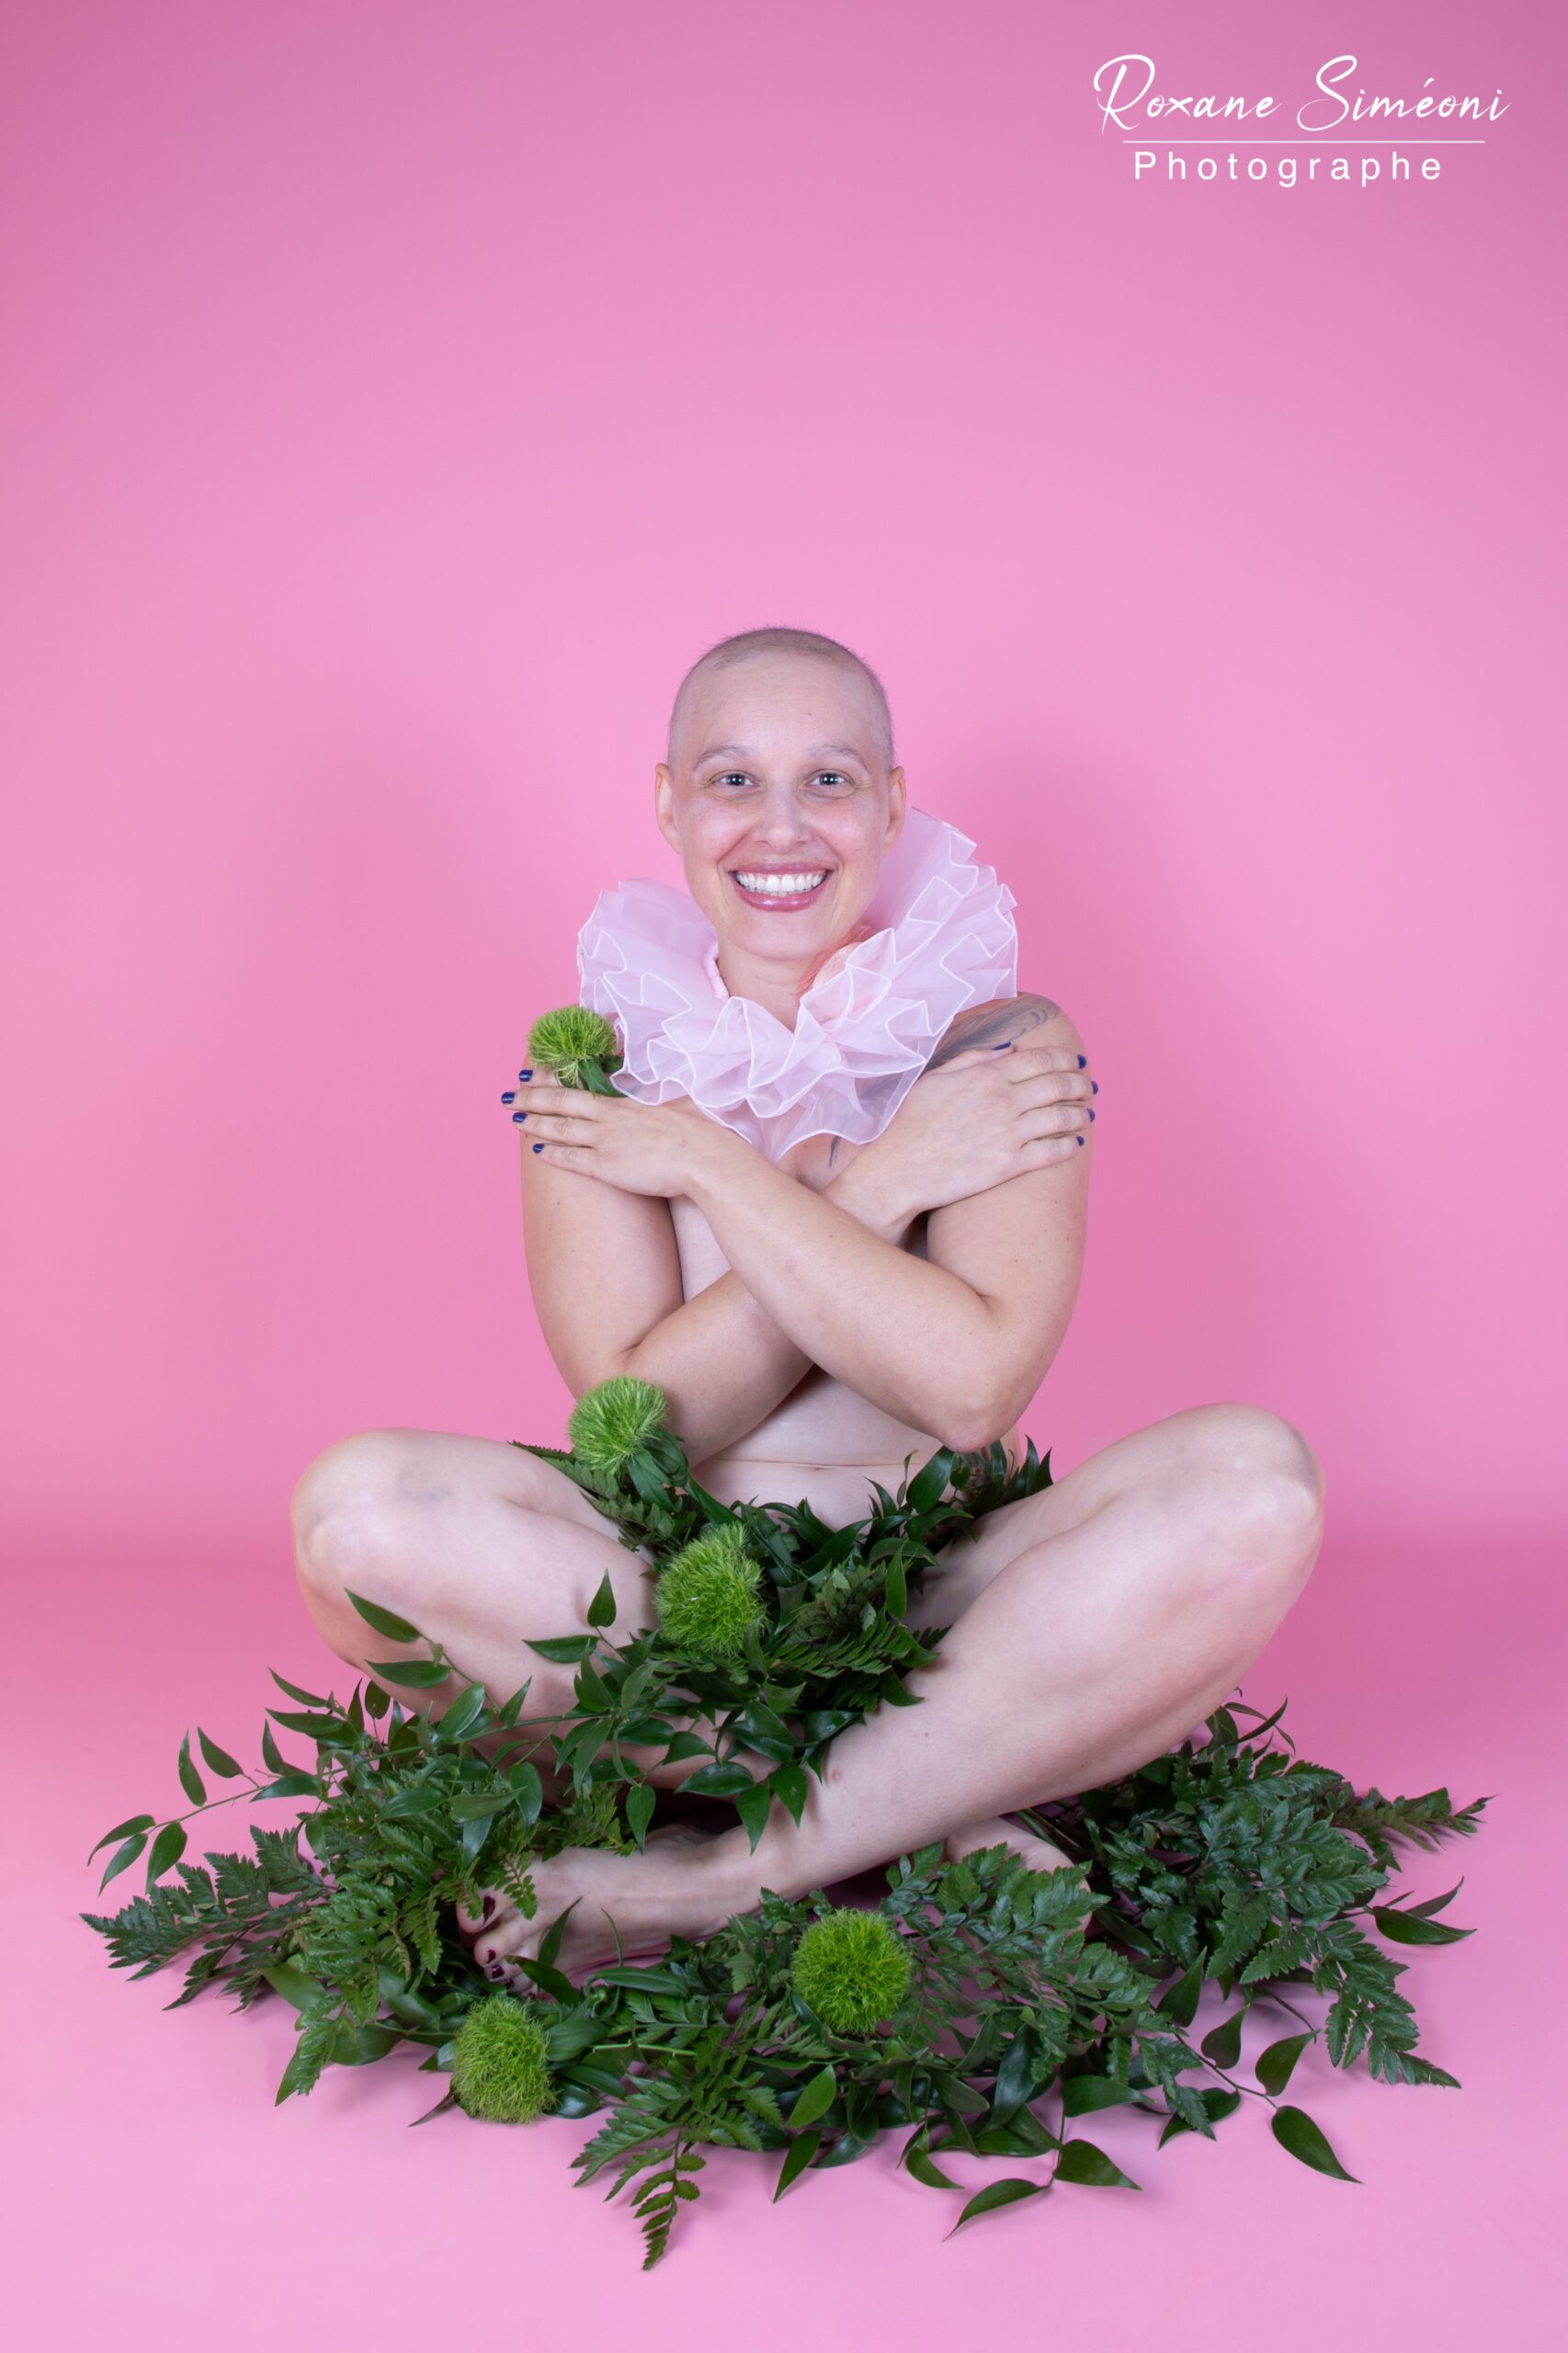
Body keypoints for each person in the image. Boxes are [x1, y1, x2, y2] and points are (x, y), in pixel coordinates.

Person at [290, 625, 1326, 1990]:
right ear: (667, 801)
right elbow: (633, 1436)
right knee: (356, 1514)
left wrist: (712, 1171)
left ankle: (724, 1872)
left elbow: (968, 1388)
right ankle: (932, 1802)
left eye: (828, 781)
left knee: (1254, 1488)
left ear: (892, 805)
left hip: (949, 1605)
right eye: (731, 779)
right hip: (669, 1614)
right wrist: (878, 1187)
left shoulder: (999, 1050)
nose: (779, 826)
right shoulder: (593, 1068)